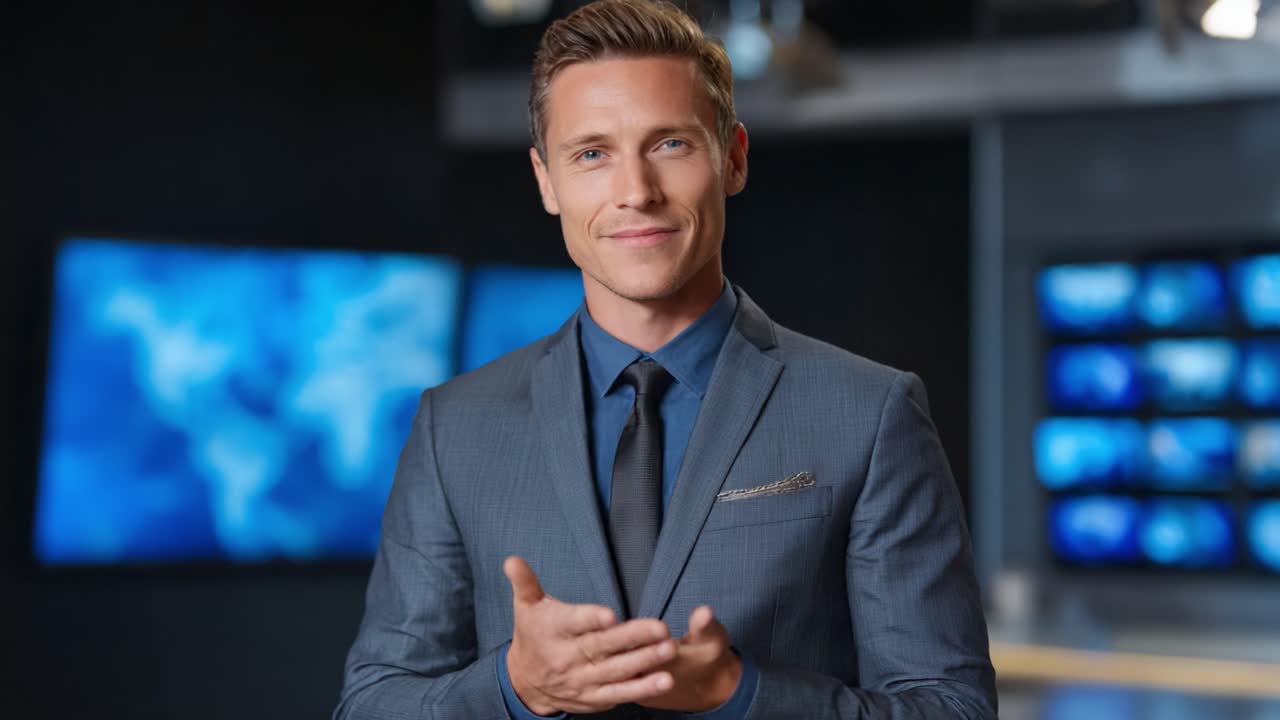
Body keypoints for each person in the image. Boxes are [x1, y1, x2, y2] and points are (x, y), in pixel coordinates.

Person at [334, 1, 996, 717]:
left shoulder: (869, 414)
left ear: (732, 157)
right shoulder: (453, 427)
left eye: (670, 145)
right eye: (592, 154)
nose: (635, 193)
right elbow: (372, 704)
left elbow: (952, 707)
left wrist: (744, 696)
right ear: (547, 181)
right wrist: (514, 687)